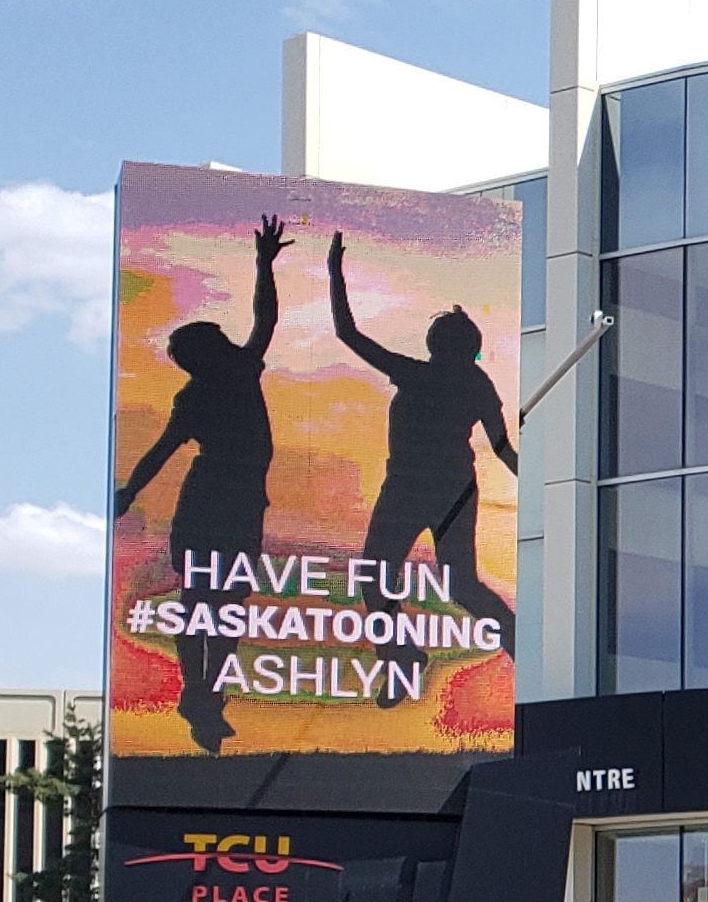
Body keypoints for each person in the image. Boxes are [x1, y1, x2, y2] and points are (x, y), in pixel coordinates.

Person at [115, 215, 290, 754]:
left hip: (240, 505)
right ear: (202, 353)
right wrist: (127, 493)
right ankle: (198, 690)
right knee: (202, 603)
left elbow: (266, 318)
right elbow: (161, 452)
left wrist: (264, 264)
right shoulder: (206, 389)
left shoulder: (238, 368)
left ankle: (207, 695)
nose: (223, 335)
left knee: (227, 604)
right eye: (213, 335)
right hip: (210, 504)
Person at [328, 232, 519, 690]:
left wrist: (335, 272)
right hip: (436, 487)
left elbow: (348, 333)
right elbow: (503, 449)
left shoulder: (425, 375)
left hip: (426, 489)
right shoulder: (470, 382)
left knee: (381, 578)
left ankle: (411, 653)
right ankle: (405, 655)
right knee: (435, 582)